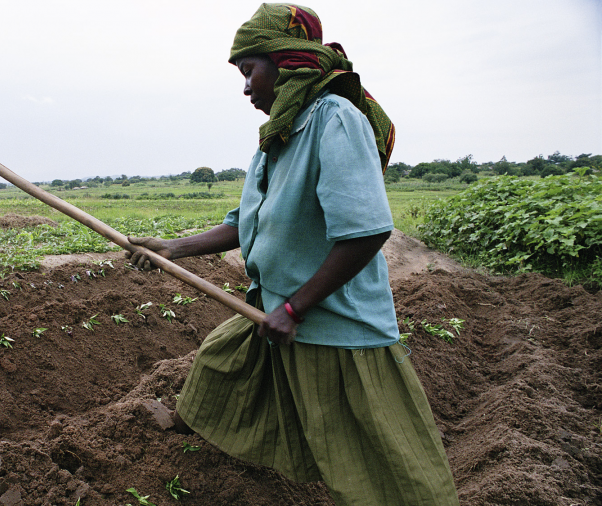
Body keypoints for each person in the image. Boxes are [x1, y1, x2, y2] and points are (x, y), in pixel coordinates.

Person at [126, 4, 459, 505]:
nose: (245, 88)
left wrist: (294, 308)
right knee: (219, 365)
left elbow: (367, 232)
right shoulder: (277, 136)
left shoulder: (335, 120)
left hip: (333, 322)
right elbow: (245, 224)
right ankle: (192, 452)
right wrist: (173, 248)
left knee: (382, 466)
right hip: (273, 303)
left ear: (288, 61)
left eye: (249, 71)